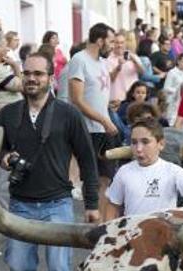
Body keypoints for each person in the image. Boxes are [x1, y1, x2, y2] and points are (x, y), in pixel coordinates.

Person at [0, 53, 100, 271]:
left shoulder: (68, 114)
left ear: (51, 78)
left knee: (59, 267)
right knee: (17, 265)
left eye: (38, 74)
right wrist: (7, 159)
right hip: (21, 204)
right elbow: (1, 152)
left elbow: (87, 159)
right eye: (27, 73)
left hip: (57, 202)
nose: (31, 79)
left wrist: (92, 203)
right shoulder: (8, 113)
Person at [104, 119, 183, 221]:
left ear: (161, 144)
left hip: (164, 234)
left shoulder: (173, 170)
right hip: (132, 234)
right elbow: (113, 205)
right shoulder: (124, 171)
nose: (139, 149)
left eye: (145, 142)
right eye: (134, 142)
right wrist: (107, 234)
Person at [67, 23, 118, 217]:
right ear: (100, 40)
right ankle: (92, 224)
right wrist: (104, 121)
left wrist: (108, 105)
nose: (112, 46)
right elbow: (77, 100)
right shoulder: (79, 60)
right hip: (88, 129)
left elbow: (95, 93)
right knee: (92, 179)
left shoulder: (102, 62)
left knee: (106, 179)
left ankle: (103, 225)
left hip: (104, 128)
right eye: (110, 41)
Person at [107, 31, 145, 111]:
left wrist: (134, 60)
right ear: (113, 44)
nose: (119, 45)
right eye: (117, 43)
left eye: (122, 43)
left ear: (125, 44)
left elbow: (142, 73)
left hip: (133, 99)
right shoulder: (108, 58)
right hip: (117, 99)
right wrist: (119, 66)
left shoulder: (132, 56)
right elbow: (110, 79)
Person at [161, 53, 183, 125]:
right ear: (178, 61)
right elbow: (166, 88)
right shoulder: (172, 72)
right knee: (171, 120)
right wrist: (177, 90)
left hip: (182, 100)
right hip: (172, 101)